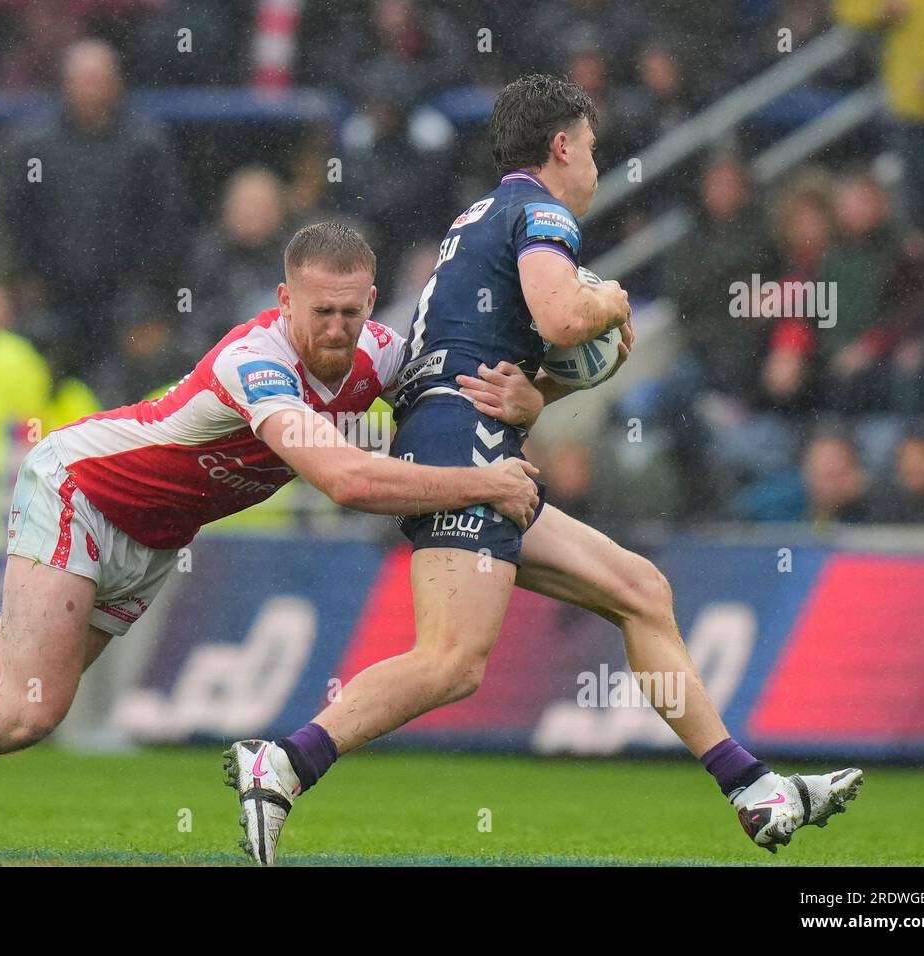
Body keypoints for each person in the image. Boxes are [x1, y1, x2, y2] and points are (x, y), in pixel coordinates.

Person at [0, 221, 543, 858]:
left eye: (351, 311)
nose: (335, 329)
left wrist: (530, 396)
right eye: (318, 311)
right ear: (284, 299)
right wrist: (486, 482)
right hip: (81, 491)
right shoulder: (255, 360)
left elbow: (453, 395)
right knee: (28, 711)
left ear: (373, 303)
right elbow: (345, 481)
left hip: (152, 537)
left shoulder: (379, 357)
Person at [224, 75, 864, 865]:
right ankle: (284, 761)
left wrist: (544, 388)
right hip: (464, 443)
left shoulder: (478, 218)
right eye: (592, 151)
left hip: (462, 429)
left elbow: (506, 347)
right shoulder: (542, 210)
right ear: (562, 147)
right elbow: (563, 316)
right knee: (452, 662)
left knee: (641, 591)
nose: (596, 169)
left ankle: (752, 787)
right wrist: (614, 301)